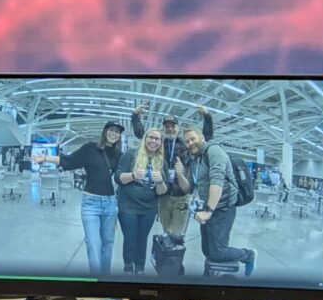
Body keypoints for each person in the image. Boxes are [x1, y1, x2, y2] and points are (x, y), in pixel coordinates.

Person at [33, 121, 124, 276]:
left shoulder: (119, 155)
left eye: (117, 131)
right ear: (105, 131)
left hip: (109, 204)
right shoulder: (90, 148)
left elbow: (121, 180)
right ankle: (96, 280)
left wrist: (117, 208)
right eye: (111, 130)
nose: (114, 133)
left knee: (108, 243)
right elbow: (69, 160)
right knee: (93, 243)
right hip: (90, 203)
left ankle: (106, 278)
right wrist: (46, 158)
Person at [174, 127, 256, 277]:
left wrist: (208, 211)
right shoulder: (195, 161)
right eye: (187, 141)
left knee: (218, 252)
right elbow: (188, 188)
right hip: (209, 206)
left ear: (202, 138)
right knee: (207, 250)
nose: (190, 143)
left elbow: (216, 182)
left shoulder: (214, 151)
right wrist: (179, 174)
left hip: (223, 208)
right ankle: (212, 278)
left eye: (193, 139)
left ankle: (248, 255)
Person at [130, 103, 213, 238]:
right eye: (166, 126)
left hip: (182, 196)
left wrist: (207, 117)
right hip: (163, 196)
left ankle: (174, 255)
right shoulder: (159, 143)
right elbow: (142, 135)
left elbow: (206, 138)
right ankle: (167, 257)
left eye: (172, 126)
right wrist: (135, 117)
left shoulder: (185, 144)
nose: (169, 129)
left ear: (177, 127)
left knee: (177, 235)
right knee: (166, 231)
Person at [115, 128, 168, 273]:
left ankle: (140, 268)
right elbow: (118, 178)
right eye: (151, 137)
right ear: (145, 138)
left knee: (142, 239)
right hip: (128, 207)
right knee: (130, 238)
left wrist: (160, 181)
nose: (153, 141)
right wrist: (133, 175)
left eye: (157, 139)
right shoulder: (131, 154)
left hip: (149, 208)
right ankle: (128, 267)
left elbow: (162, 191)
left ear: (161, 143)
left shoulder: (162, 162)